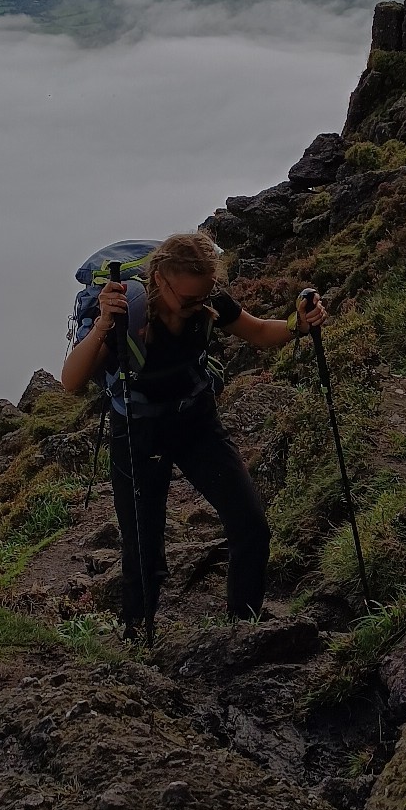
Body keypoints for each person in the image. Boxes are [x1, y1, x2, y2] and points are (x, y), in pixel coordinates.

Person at [61, 230, 327, 632]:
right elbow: (71, 381)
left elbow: (257, 332)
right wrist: (103, 324)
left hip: (196, 421)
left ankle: (244, 627)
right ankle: (138, 637)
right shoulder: (128, 313)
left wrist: (298, 324)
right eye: (188, 299)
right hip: (137, 430)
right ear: (159, 279)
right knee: (143, 548)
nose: (197, 306)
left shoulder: (206, 299)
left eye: (203, 296)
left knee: (251, 525)